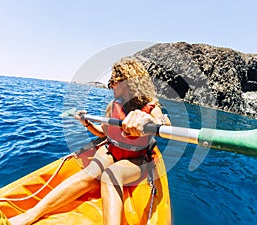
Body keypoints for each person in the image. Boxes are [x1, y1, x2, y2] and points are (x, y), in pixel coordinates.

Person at [9, 58, 170, 225]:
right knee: (89, 173)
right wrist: (86, 123)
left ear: (128, 81)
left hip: (136, 159)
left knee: (112, 174)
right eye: (110, 83)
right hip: (112, 151)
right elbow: (104, 132)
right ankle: (31, 215)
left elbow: (165, 123)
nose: (111, 86)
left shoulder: (151, 107)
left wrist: (148, 120)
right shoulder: (112, 106)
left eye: (113, 82)